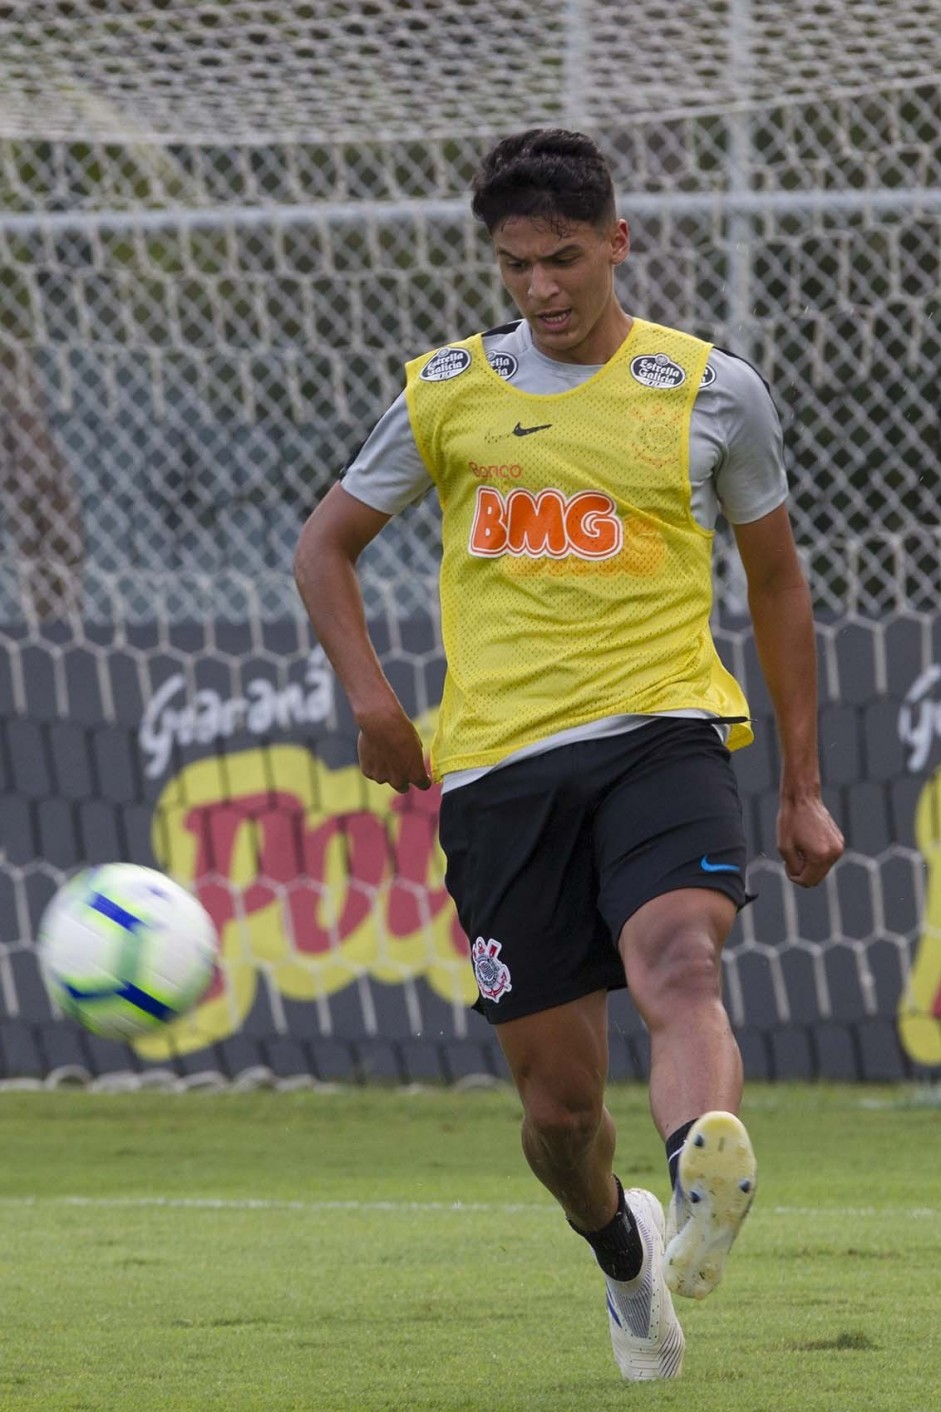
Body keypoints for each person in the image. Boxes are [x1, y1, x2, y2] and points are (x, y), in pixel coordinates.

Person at [293, 128, 844, 1382]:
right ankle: (622, 1249)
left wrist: (801, 787)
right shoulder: (442, 389)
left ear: (616, 242)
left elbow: (775, 581)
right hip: (494, 771)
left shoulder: (709, 388)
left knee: (679, 956)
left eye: (562, 259)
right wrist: (377, 705)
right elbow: (323, 545)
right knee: (556, 1110)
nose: (540, 287)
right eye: (514, 266)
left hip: (662, 729)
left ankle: (705, 1167)